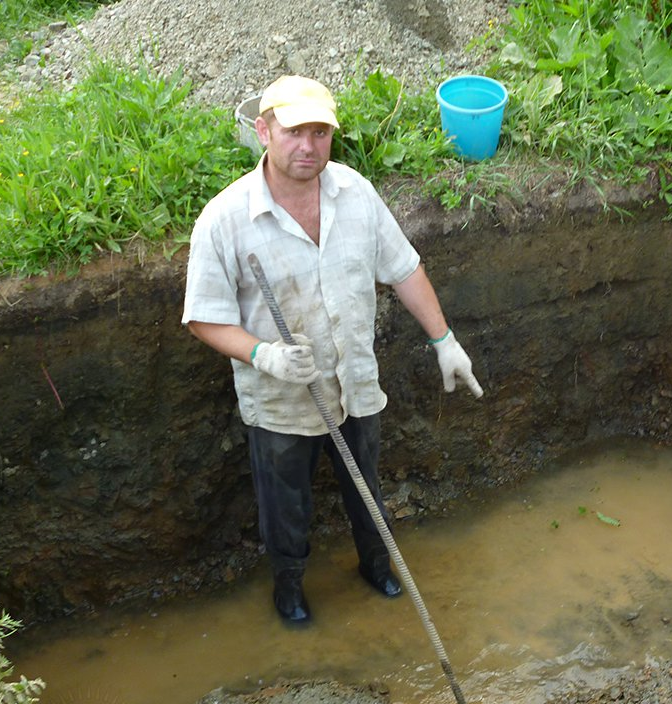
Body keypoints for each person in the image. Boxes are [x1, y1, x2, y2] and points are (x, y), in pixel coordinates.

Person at [182, 74, 483, 624]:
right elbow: (204, 316)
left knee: (367, 488)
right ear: (263, 131)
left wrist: (445, 340)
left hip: (354, 383)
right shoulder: (226, 220)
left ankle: (376, 565)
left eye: (320, 133)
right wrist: (263, 355)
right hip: (281, 401)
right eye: (295, 132)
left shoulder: (355, 195)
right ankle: (289, 589)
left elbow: (404, 268)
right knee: (286, 507)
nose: (308, 146)